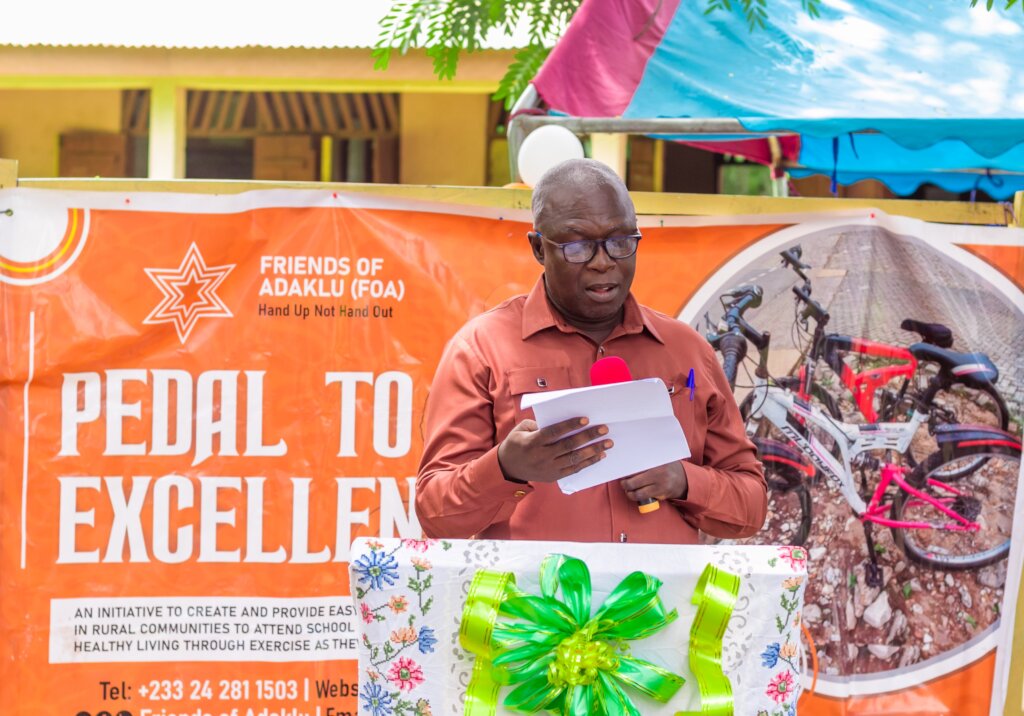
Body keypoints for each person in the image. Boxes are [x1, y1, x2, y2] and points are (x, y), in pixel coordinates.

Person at [415, 158, 766, 543]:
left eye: (620, 242)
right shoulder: (481, 349)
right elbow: (437, 515)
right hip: (535, 601)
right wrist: (505, 467)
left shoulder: (686, 350)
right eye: (578, 246)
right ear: (538, 248)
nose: (603, 262)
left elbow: (750, 509)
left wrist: (684, 481)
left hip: (658, 602)